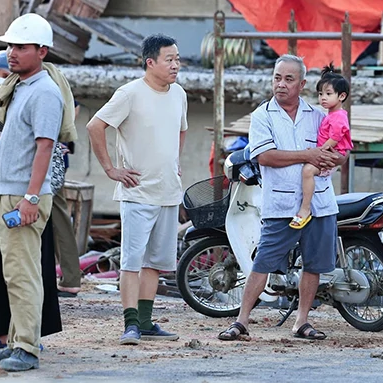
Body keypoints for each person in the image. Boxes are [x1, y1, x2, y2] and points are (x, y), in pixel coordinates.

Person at [0, 13, 66, 372]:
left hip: (23, 194)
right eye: (10, 46)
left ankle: (27, 349)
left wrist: (32, 197)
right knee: (15, 273)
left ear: (42, 51)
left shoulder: (45, 93)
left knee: (23, 274)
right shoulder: (22, 88)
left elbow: (45, 148)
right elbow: (19, 141)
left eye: (20, 47)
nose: (12, 53)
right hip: (11, 192)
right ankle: (19, 342)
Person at [218, 55, 345, 342]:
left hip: (319, 202)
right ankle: (241, 321)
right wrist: (309, 155)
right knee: (263, 261)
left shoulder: (318, 115)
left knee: (313, 265)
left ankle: (302, 321)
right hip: (281, 204)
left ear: (302, 84)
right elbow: (265, 156)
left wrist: (335, 158)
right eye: (277, 78)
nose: (281, 84)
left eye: (289, 79)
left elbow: (339, 151)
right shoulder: (263, 115)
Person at [87, 34, 187, 346]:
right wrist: (111, 170)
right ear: (150, 62)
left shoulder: (179, 94)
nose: (175, 65)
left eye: (177, 59)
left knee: (155, 262)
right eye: (169, 59)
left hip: (168, 191)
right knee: (132, 261)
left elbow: (181, 131)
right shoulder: (130, 93)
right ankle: (130, 323)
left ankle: (145, 321)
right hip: (137, 192)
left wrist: (175, 162)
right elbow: (95, 126)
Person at [293, 65, 353, 229]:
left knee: (307, 171)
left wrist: (318, 152)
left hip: (331, 154)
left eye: (328, 94)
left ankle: (305, 209)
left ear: (341, 96)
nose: (323, 98)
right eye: (320, 94)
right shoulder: (331, 114)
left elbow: (335, 137)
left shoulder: (339, 116)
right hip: (329, 153)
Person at [53, 101, 83, 297]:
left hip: (46, 160)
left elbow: (75, 106)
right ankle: (70, 277)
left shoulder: (41, 80)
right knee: (59, 219)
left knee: (58, 218)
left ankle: (71, 278)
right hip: (53, 158)